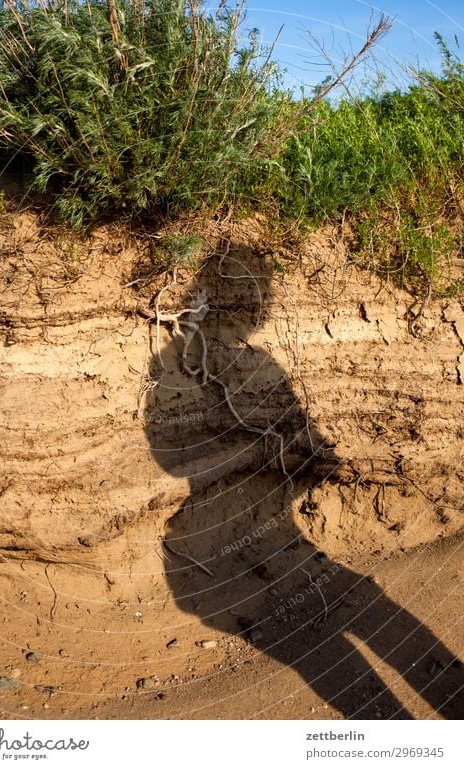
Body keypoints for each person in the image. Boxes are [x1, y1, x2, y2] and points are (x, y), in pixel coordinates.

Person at [144, 243, 463, 719]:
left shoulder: (183, 357)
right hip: (215, 560)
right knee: (379, 625)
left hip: (200, 571)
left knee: (349, 648)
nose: (264, 303)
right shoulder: (219, 357)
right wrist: (309, 451)